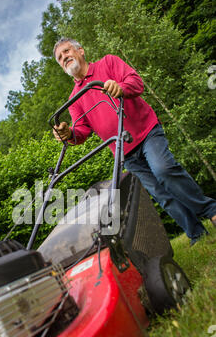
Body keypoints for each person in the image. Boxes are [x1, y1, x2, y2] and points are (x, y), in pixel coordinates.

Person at [52, 37, 216, 246]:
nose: (64, 57)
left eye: (67, 51)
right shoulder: (75, 98)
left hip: (146, 131)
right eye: (60, 57)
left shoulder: (108, 63)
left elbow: (136, 82)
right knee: (160, 193)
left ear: (81, 51)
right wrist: (69, 133)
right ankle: (196, 234)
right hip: (124, 150)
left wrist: (120, 87)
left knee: (164, 170)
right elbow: (82, 130)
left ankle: (211, 211)